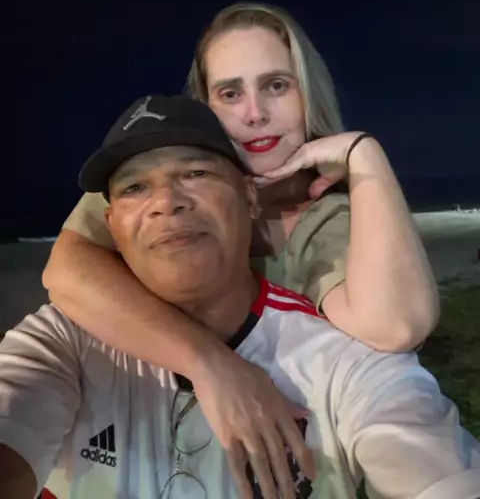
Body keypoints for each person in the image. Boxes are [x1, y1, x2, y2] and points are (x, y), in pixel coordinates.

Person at [42, 3, 440, 489]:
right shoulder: (159, 181)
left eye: (277, 86)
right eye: (230, 93)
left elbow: (398, 327)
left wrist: (364, 154)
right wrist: (211, 364)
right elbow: (66, 270)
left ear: (308, 94)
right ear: (205, 107)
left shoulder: (324, 219)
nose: (255, 114)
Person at [1, 95, 479, 499]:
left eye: (195, 173)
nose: (166, 201)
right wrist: (210, 364)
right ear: (111, 225)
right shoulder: (64, 341)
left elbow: (430, 460)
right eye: (135, 187)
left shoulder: (343, 364)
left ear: (250, 199)